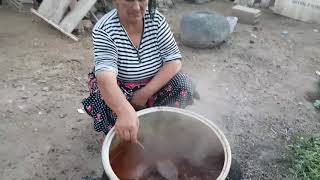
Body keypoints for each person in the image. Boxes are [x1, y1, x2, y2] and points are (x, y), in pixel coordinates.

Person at [82, 0, 197, 145]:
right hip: (122, 87)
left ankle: (158, 128)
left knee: (183, 83)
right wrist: (124, 111)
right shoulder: (104, 29)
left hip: (154, 84)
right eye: (129, 0)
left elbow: (174, 61)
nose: (137, 8)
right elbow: (105, 76)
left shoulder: (156, 20)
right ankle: (118, 134)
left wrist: (145, 93)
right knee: (102, 95)